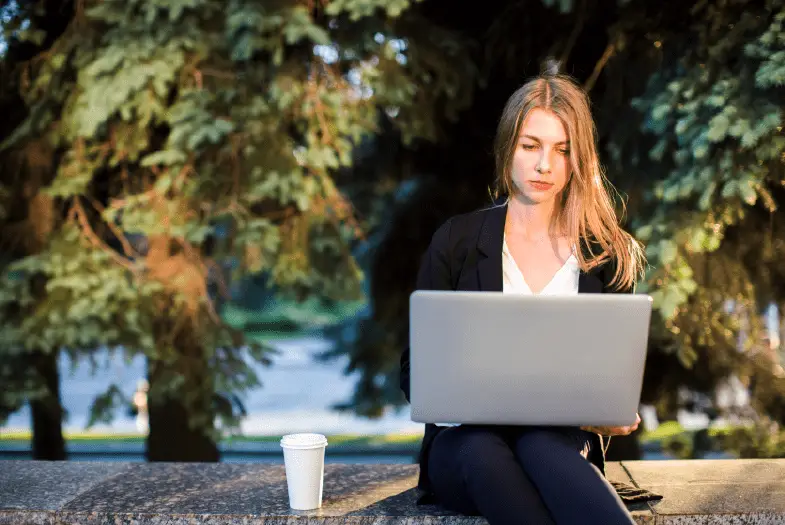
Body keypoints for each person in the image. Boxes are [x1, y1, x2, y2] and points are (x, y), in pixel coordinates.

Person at [399, 60, 647, 525]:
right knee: (484, 451)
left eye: (562, 150)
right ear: (506, 147)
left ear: (580, 159)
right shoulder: (456, 241)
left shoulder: (605, 254)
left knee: (542, 445)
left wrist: (612, 412)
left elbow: (616, 373)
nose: (544, 165)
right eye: (530, 145)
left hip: (558, 440)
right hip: (465, 442)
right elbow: (415, 372)